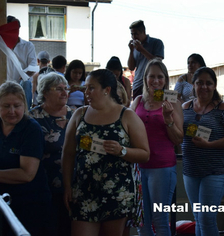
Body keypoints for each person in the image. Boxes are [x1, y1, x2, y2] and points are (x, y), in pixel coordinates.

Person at [62, 69, 150, 236]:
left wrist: (121, 150)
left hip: (116, 193)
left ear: (106, 90)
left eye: (91, 88)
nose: (86, 92)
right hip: (83, 191)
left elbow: (145, 154)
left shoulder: (127, 116)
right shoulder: (79, 115)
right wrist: (67, 186)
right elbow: (68, 154)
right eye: (85, 88)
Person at [182, 67, 224, 236]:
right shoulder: (185, 107)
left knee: (206, 218)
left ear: (214, 85)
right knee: (198, 217)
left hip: (216, 171)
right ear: (193, 85)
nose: (204, 87)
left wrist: (209, 145)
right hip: (190, 171)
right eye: (199, 83)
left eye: (208, 83)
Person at [131, 59, 183, 236]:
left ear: (166, 79)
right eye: (151, 76)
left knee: (160, 220)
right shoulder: (138, 100)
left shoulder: (172, 100)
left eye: (160, 77)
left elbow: (178, 139)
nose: (156, 81)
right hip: (139, 167)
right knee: (142, 222)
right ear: (145, 78)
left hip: (162, 167)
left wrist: (168, 121)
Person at [0, 81, 51, 236]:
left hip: (30, 204)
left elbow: (27, 174)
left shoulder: (31, 129)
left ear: (25, 105)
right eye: (6, 106)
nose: (12, 111)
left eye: (17, 106)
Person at [29, 72, 73, 236]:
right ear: (45, 92)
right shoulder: (33, 118)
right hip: (44, 189)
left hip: (73, 188)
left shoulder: (76, 115)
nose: (64, 92)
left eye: (65, 88)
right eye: (58, 89)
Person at [6, 16, 38, 110]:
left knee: (26, 82)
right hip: (4, 84)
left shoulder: (28, 46)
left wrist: (24, 75)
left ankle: (26, 113)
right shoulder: (2, 46)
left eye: (16, 29)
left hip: (21, 85)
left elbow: (33, 66)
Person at [128, 20, 164, 100]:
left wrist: (142, 50)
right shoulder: (135, 47)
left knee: (158, 106)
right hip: (138, 84)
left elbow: (158, 62)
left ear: (143, 32)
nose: (134, 37)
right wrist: (131, 51)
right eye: (132, 34)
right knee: (138, 110)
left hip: (156, 83)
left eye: (136, 34)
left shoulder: (157, 42)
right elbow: (131, 67)